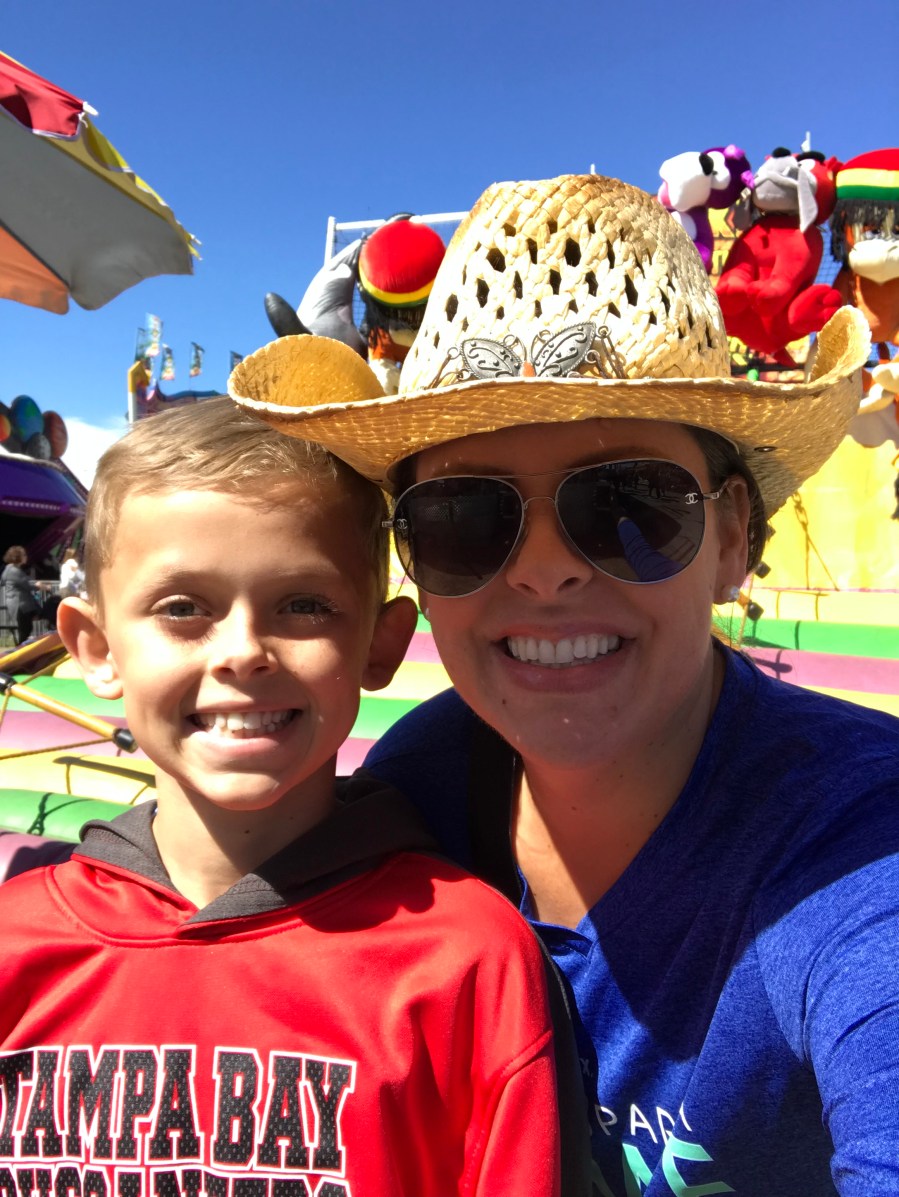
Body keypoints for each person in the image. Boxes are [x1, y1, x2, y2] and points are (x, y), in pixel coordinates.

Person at [229, 174, 899, 1195]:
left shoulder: (859, 835)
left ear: (730, 539)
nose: (544, 571)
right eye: (464, 518)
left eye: (628, 503)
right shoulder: (418, 792)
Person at [0, 397, 563, 1197]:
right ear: (96, 648)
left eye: (303, 605)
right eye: (182, 608)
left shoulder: (467, 961)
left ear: (380, 643)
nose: (242, 652)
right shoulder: (15, 943)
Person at [1, 544, 41, 644]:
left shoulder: (11, 570)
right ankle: (22, 648)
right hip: (20, 604)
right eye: (24, 555)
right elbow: (26, 584)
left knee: (26, 628)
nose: (26, 557)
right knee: (24, 629)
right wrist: (39, 586)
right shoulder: (14, 571)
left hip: (20, 603)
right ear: (17, 557)